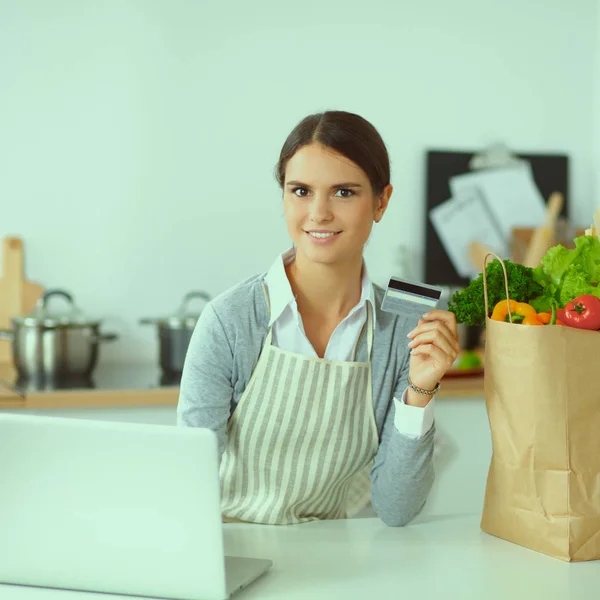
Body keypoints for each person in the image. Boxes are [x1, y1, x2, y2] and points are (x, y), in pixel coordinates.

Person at [177, 110, 460, 526]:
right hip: (227, 544)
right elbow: (188, 487)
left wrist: (421, 388)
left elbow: (397, 508)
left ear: (381, 201)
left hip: (331, 548)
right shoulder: (230, 318)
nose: (319, 213)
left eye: (344, 192)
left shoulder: (404, 322)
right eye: (301, 191)